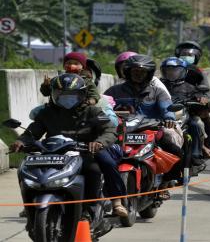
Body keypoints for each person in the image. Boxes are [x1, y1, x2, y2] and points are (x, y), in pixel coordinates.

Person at [10, 73, 128, 218]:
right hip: (55, 152)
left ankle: (106, 204)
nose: (66, 98)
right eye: (61, 94)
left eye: (72, 94)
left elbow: (109, 130)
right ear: (53, 95)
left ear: (82, 94)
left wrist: (99, 143)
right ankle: (30, 206)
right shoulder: (47, 113)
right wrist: (21, 142)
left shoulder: (93, 111)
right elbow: (32, 132)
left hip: (87, 150)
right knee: (25, 168)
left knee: (99, 166)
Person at [104, 55, 183, 194]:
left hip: (151, 129)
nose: (138, 75)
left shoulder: (157, 90)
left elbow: (166, 106)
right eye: (135, 72)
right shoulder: (113, 91)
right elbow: (103, 108)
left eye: (142, 72)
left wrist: (169, 117)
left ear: (149, 74)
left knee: (175, 149)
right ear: (128, 72)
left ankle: (166, 182)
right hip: (122, 130)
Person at [160, 57, 210, 164]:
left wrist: (200, 99)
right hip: (162, 116)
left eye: (175, 70)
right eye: (168, 70)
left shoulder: (190, 87)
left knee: (195, 125)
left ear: (184, 71)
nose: (171, 73)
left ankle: (196, 153)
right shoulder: (159, 85)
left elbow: (199, 96)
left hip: (183, 116)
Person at [174, 41, 210, 152]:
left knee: (202, 118)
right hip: (173, 104)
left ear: (196, 57)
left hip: (192, 102)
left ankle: (208, 142)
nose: (186, 57)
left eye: (190, 55)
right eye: (184, 54)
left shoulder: (198, 72)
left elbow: (206, 90)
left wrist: (203, 98)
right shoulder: (171, 70)